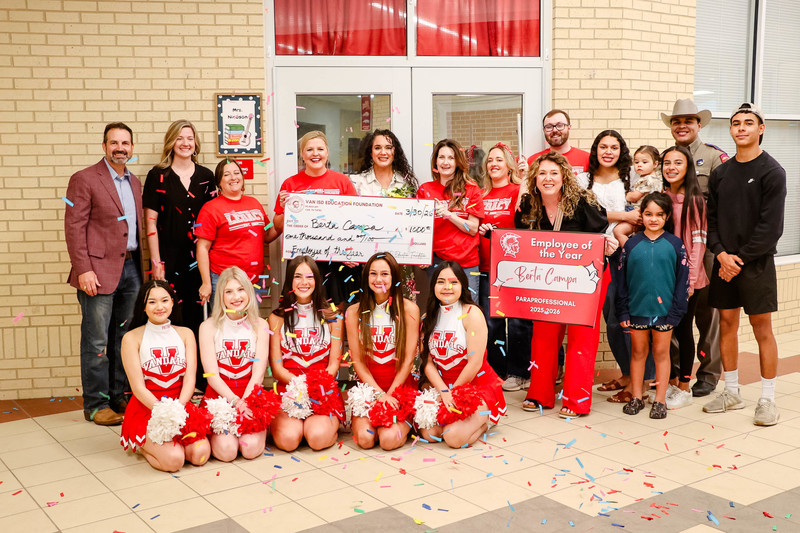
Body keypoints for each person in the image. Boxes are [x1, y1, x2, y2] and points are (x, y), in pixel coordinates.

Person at [516, 152, 616, 417]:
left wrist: (607, 244)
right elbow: (522, 243)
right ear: (534, 178)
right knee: (543, 336)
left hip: (586, 280)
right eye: (542, 174)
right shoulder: (527, 205)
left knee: (582, 338)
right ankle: (539, 394)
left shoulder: (583, 202)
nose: (547, 179)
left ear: (564, 177)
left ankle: (576, 400)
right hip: (547, 283)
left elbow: (600, 235)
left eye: (553, 173)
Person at [704, 103, 786, 426]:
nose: (741, 128)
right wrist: (721, 254)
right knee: (726, 325)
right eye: (736, 123)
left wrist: (738, 260)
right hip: (724, 261)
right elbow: (710, 221)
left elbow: (771, 228)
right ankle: (732, 392)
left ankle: (767, 399)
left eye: (748, 123)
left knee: (761, 329)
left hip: (755, 264)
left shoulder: (772, 172)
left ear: (760, 129)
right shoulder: (721, 173)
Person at [65, 122, 143, 426]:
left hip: (132, 269)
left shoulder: (135, 182)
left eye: (125, 143)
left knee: (122, 337)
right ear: (104, 146)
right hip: (96, 272)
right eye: (114, 143)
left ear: (132, 148)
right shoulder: (84, 179)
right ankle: (96, 405)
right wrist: (83, 269)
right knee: (96, 341)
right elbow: (74, 227)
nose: (120, 148)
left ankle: (117, 396)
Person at [662, 98, 729, 398]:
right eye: (677, 121)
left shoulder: (714, 158)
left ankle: (709, 372)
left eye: (688, 120)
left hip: (707, 246)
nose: (682, 125)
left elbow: (726, 204)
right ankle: (677, 370)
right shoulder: (669, 159)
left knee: (706, 315)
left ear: (699, 125)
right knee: (676, 315)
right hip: (671, 249)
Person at [143, 120, 215, 391]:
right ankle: (174, 380)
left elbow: (214, 219)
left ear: (196, 143)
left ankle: (199, 382)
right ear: (171, 142)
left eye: (190, 138)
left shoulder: (207, 176)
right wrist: (156, 262)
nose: (186, 143)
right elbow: (150, 222)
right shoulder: (157, 175)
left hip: (202, 260)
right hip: (169, 258)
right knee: (173, 315)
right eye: (180, 138)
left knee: (199, 317)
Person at [579, 130, 651, 404]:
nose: (608, 151)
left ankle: (640, 381)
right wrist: (623, 214)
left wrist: (626, 223)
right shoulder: (583, 179)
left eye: (614, 147)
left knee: (626, 316)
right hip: (595, 252)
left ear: (622, 151)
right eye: (603, 146)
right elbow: (585, 214)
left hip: (626, 251)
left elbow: (645, 210)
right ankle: (625, 374)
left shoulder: (632, 177)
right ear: (595, 149)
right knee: (610, 318)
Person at [119, 280, 211, 471]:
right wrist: (163, 412)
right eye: (152, 302)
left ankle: (166, 445)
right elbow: (137, 387)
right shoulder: (131, 338)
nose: (159, 307)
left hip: (181, 404)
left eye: (164, 300)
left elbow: (190, 379)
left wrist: (178, 408)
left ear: (172, 302)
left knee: (200, 454)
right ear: (143, 307)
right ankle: (142, 447)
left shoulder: (186, 334)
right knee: (174, 461)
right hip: (148, 408)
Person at [417, 261, 506, 448]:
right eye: (441, 282)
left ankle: (484, 422)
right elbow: (427, 362)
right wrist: (444, 392)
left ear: (462, 285)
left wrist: (453, 393)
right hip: (445, 387)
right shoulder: (429, 318)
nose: (447, 287)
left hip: (475, 386)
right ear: (434, 286)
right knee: (429, 434)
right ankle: (459, 422)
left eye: (453, 282)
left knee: (452, 437)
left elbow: (474, 363)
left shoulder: (472, 314)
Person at [617, 192, 689, 419]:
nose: (654, 219)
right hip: (637, 311)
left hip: (665, 313)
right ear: (641, 216)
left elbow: (682, 282)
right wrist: (623, 310)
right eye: (648, 214)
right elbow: (621, 281)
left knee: (661, 352)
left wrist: (676, 312)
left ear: (667, 216)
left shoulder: (675, 245)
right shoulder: (631, 245)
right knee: (638, 352)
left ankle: (659, 400)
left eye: (659, 214)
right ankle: (637, 396)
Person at [273, 131, 360, 307]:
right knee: (303, 306)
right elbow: (279, 226)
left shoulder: (342, 181)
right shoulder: (290, 184)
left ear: (327, 152)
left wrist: (350, 252)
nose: (315, 153)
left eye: (320, 149)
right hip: (303, 259)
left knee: (336, 308)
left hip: (336, 258)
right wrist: (284, 208)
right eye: (309, 149)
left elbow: (355, 222)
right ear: (302, 154)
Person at [268, 256, 345, 451]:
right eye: (298, 277)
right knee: (288, 440)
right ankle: (298, 425)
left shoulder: (333, 318)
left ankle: (321, 425)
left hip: (323, 392)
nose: (304, 282)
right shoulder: (277, 318)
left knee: (317, 439)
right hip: (288, 391)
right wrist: (299, 388)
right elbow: (277, 369)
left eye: (310, 277)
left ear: (317, 281)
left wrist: (313, 389)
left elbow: (334, 366)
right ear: (290, 281)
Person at [346, 252, 419, 451]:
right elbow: (358, 361)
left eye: (385, 274)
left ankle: (404, 424)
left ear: (394, 277)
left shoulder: (409, 309)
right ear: (366, 277)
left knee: (388, 440)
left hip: (400, 388)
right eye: (373, 274)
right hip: (369, 389)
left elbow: (408, 359)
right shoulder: (353, 312)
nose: (379, 279)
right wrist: (379, 395)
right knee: (365, 439)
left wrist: (391, 393)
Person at [199, 266, 272, 461]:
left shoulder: (261, 325)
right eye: (228, 291)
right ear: (220, 295)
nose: (236, 297)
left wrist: (246, 401)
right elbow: (211, 375)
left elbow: (258, 373)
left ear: (248, 291)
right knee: (227, 452)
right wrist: (235, 401)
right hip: (220, 397)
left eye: (240, 290)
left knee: (250, 449)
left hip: (251, 394)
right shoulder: (207, 327)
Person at [475, 143, 530, 388]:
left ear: (508, 164)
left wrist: (527, 179)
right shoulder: (480, 194)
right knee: (492, 322)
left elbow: (526, 221)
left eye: (498, 160)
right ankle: (498, 372)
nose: (493, 164)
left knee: (518, 322)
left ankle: (520, 373)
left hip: (515, 268)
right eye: (490, 161)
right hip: (487, 267)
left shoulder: (518, 190)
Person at [351, 129, 423, 302]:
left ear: (394, 151)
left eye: (388, 147)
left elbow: (414, 224)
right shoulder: (355, 183)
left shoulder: (406, 184)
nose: (383, 152)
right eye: (377, 147)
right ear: (370, 152)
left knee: (402, 310)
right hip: (366, 261)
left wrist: (421, 251)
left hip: (400, 261)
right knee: (368, 310)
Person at [662, 145, 708, 410]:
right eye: (667, 163)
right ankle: (669, 381)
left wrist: (689, 281)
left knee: (683, 330)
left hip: (687, 279)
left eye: (678, 163)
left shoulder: (695, 200)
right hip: (663, 278)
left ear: (688, 167)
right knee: (664, 331)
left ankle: (684, 386)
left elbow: (697, 245)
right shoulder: (660, 198)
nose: (671, 167)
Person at [196, 159, 279, 307]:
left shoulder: (254, 203)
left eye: (236, 173)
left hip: (254, 280)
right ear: (219, 182)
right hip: (224, 281)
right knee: (224, 326)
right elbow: (202, 248)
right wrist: (206, 283)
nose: (233, 177)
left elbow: (267, 235)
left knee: (250, 325)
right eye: (227, 174)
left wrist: (285, 218)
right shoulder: (210, 208)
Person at [417, 139, 484, 297]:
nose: (445, 162)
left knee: (468, 311)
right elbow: (420, 230)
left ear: (457, 162)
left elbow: (473, 229)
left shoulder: (471, 188)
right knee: (440, 312)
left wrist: (449, 215)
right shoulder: (425, 190)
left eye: (451, 158)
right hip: (437, 262)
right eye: (441, 157)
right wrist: (421, 255)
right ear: (435, 161)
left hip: (467, 263)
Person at [613, 145, 663, 247]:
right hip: (650, 213)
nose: (639, 165)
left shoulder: (647, 180)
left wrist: (623, 194)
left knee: (618, 231)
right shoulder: (657, 179)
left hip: (638, 212)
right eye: (636, 162)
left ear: (655, 164)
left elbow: (634, 197)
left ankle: (630, 252)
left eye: (644, 162)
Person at [525, 109, 591, 174]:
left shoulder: (587, 159)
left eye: (560, 125)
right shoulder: (533, 161)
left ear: (569, 127)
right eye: (549, 127)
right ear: (544, 130)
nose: (554, 130)